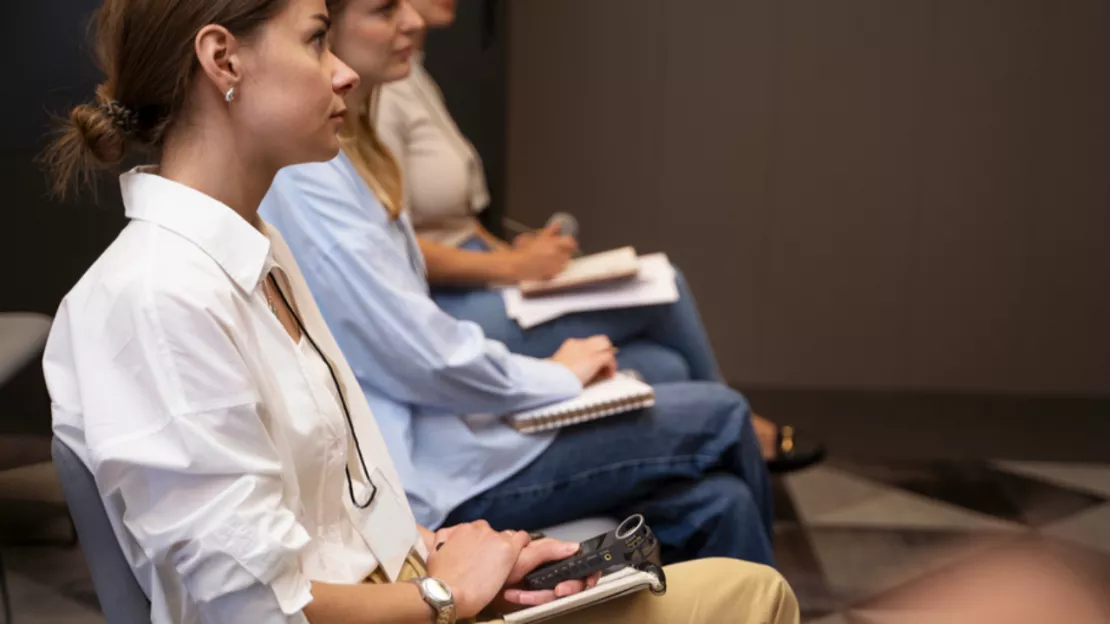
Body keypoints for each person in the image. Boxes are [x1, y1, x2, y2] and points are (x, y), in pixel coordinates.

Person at [41, 0, 800, 622]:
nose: (341, 71)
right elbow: (254, 611)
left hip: (409, 591)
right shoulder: (156, 297)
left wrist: (442, 554)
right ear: (223, 60)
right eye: (314, 40)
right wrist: (444, 594)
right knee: (751, 591)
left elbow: (321, 524)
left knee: (731, 570)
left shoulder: (253, 247)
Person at [262, 0, 778, 567]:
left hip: (450, 433)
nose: (412, 21)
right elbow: (419, 355)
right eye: (383, 11)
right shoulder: (309, 175)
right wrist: (554, 376)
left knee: (721, 502)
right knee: (723, 414)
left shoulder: (351, 152)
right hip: (428, 473)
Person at [375, 0, 823, 471]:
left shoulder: (414, 76)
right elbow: (396, 245)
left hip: (479, 277)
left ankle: (697, 471)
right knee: (662, 288)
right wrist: (512, 268)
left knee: (663, 365)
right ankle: (740, 427)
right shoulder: (379, 97)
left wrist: (515, 252)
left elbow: (453, 220)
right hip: (445, 304)